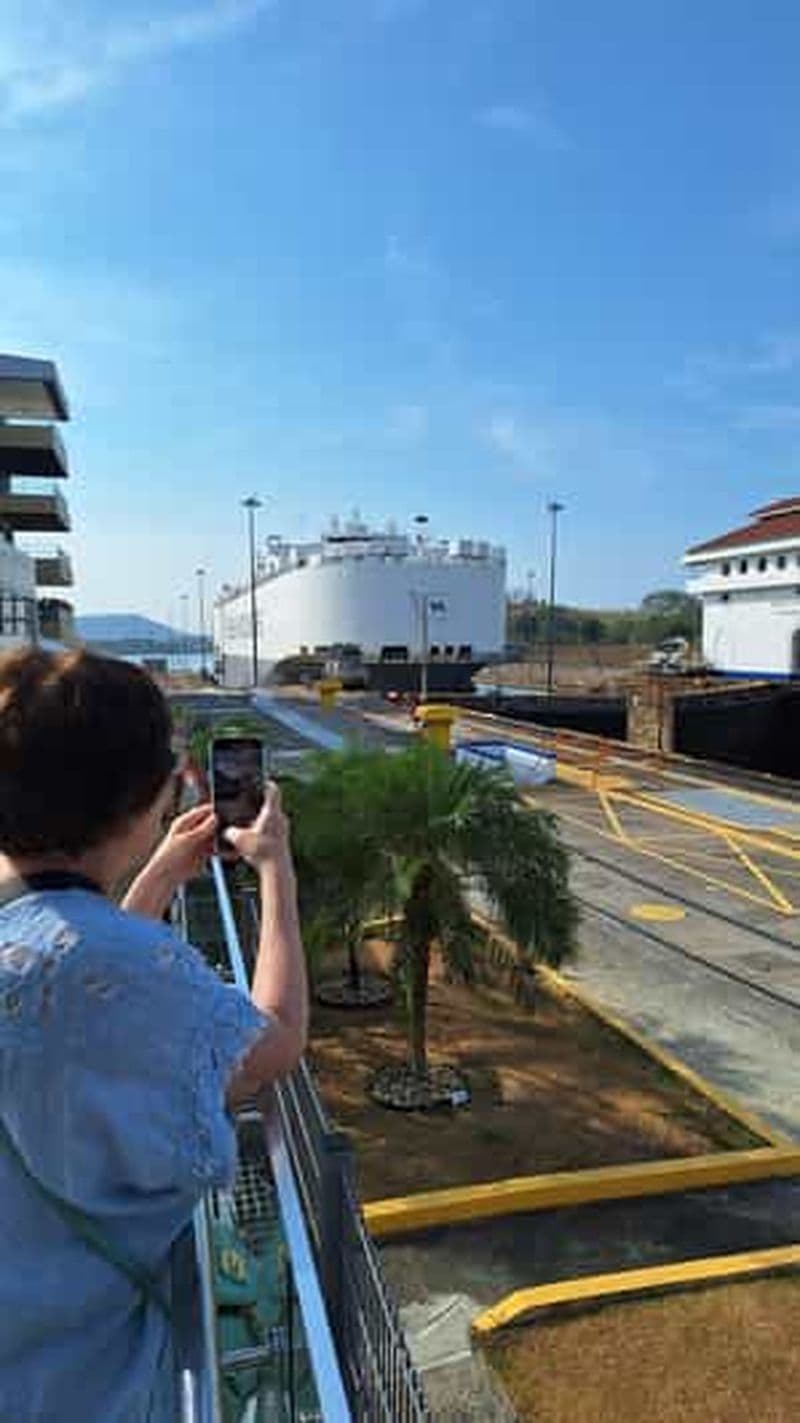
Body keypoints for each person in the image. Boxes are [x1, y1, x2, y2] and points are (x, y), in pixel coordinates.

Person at [0, 647, 308, 1422]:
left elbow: (77, 980)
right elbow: (272, 1040)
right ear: (143, 800)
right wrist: (276, 874)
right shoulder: (126, 967)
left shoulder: (36, 935)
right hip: (74, 1384)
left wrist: (161, 876)